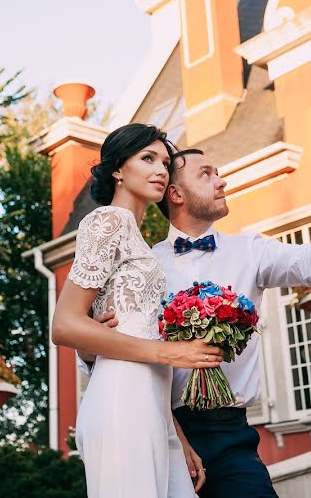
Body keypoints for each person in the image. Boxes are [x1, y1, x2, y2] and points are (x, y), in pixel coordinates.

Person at [84, 148, 311, 497]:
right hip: (159, 426)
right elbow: (99, 351)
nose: (221, 181)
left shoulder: (250, 250)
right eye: (206, 174)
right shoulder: (143, 264)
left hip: (229, 432)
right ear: (175, 194)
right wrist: (92, 346)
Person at [51, 124, 224, 498]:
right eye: (147, 159)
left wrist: (174, 432)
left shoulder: (138, 238)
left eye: (164, 162)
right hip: (121, 399)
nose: (160, 170)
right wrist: (172, 352)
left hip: (152, 406)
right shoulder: (107, 221)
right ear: (117, 169)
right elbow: (64, 325)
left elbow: (131, 329)